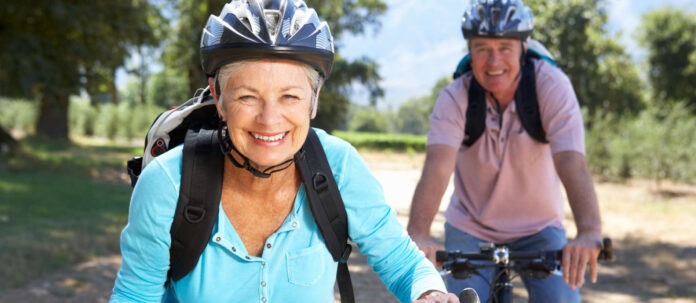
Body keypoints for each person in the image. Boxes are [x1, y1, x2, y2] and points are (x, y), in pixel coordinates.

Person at [110, 1, 459, 302]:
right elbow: (135, 295)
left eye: (290, 96)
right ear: (218, 97)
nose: (269, 119)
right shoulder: (168, 183)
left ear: (314, 99)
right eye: (248, 96)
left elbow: (401, 260)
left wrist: (428, 293)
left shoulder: (338, 166)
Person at [406, 0, 603, 302]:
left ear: (524, 49)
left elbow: (572, 164)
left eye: (505, 48)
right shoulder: (455, 97)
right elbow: (436, 168)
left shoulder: (552, 87)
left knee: (561, 298)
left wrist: (589, 231)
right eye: (482, 48)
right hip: (470, 228)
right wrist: (418, 233)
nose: (493, 61)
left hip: (540, 228)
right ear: (469, 52)